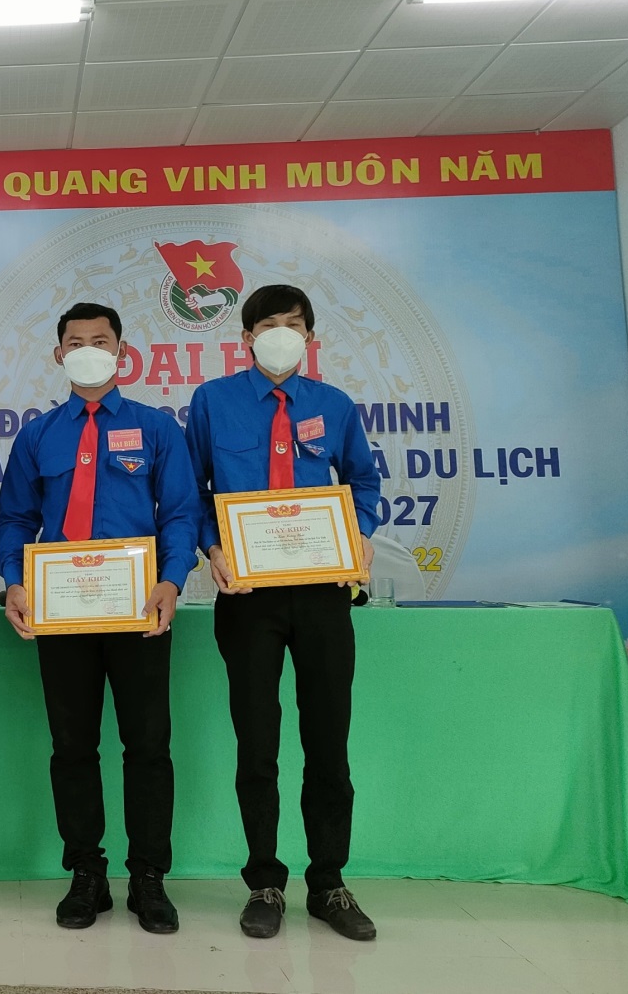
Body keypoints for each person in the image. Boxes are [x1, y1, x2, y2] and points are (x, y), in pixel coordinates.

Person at [185, 284, 381, 942]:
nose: (280, 335)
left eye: (292, 324)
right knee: (257, 742)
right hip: (248, 598)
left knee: (328, 741)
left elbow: (363, 483)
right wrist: (213, 548)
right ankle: (264, 881)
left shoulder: (334, 405)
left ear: (310, 337)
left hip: (323, 592)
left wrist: (361, 535)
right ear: (245, 338)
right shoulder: (212, 402)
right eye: (267, 324)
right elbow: (192, 489)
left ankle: (328, 882)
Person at [0, 302, 200, 934]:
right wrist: (14, 582)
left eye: (101, 341)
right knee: (72, 747)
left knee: (148, 747)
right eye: (77, 342)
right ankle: (87, 873)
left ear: (122, 352)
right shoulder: (38, 436)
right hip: (62, 615)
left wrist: (171, 580)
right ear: (59, 354)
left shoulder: (156, 428)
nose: (89, 350)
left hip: (140, 610)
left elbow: (180, 512)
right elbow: (15, 518)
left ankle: (149, 877)